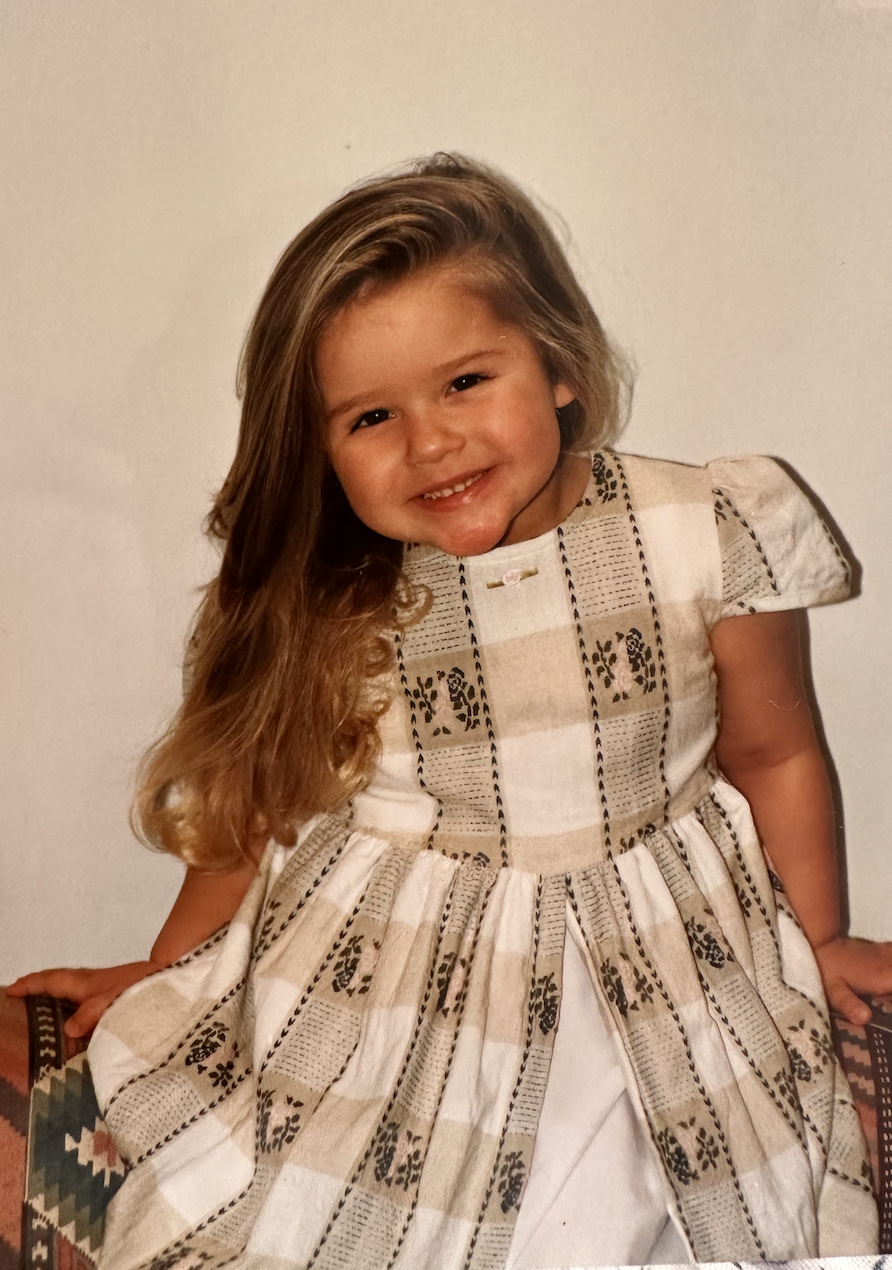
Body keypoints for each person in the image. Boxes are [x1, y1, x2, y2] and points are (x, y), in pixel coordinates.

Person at [9, 154, 892, 1269]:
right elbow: (262, 805)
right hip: (396, 990)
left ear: (559, 365)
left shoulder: (702, 530)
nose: (429, 442)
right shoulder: (338, 591)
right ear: (321, 448)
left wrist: (816, 942)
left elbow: (776, 754)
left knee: (629, 1213)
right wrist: (174, 970)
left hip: (655, 961)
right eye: (372, 415)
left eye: (466, 381)